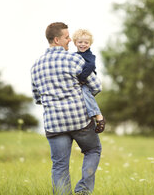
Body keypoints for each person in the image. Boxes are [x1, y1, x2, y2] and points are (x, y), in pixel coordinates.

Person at [30, 22, 103, 195]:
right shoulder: (74, 59)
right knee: (93, 150)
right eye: (67, 37)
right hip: (79, 120)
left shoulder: (36, 66)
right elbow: (96, 86)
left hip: (54, 124)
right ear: (57, 39)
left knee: (59, 166)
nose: (70, 40)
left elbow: (37, 98)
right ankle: (83, 191)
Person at [72, 29, 105, 133]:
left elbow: (91, 66)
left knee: (85, 92)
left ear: (90, 44)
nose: (83, 45)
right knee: (84, 100)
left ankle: (99, 116)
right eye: (80, 42)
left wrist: (81, 78)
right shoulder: (74, 55)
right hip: (82, 83)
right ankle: (89, 119)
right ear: (75, 42)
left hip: (88, 83)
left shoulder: (89, 56)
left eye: (86, 42)